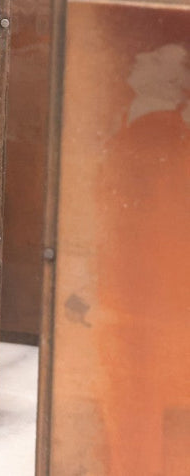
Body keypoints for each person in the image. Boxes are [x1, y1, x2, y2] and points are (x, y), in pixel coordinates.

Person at [98, 42, 190, 473]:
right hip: (124, 283)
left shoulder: (161, 131)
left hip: (145, 289)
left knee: (138, 397)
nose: (136, 58)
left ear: (172, 81)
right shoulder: (132, 119)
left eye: (151, 59)